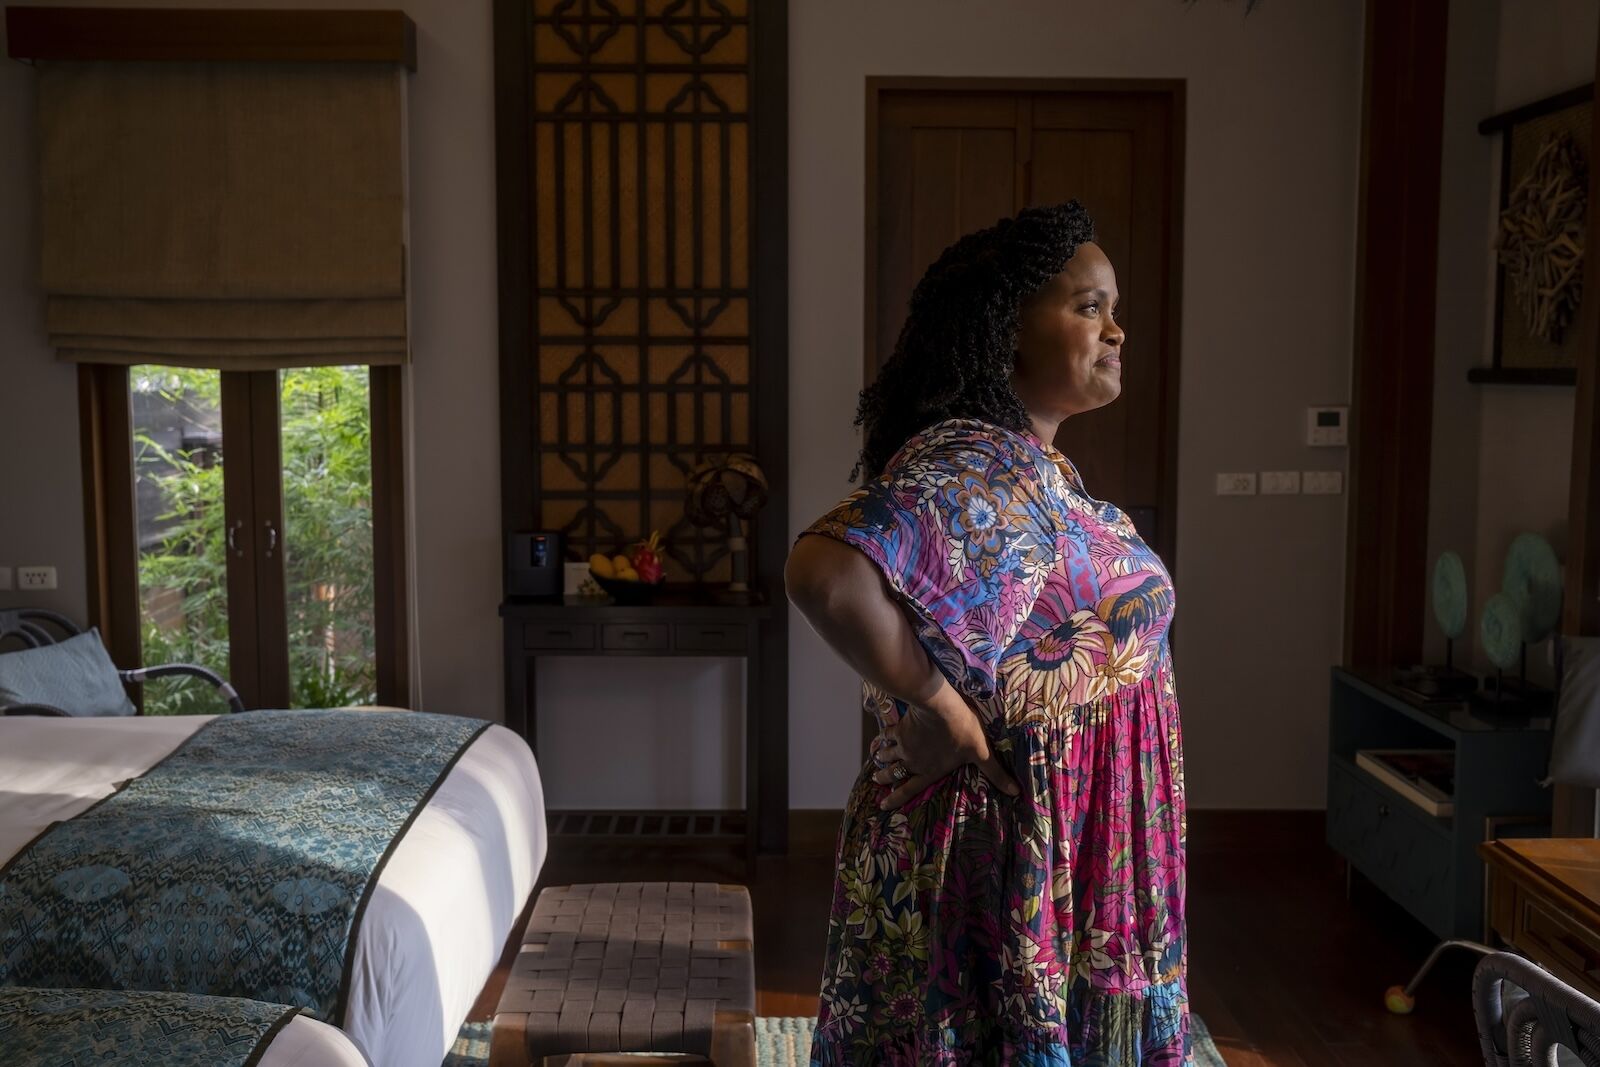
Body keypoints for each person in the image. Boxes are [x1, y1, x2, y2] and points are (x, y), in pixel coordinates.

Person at [785, 201, 1187, 1065]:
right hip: (999, 853)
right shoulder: (978, 464)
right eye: (1090, 307)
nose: (1118, 329)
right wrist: (938, 706)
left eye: (1114, 307)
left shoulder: (1033, 467)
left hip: (1053, 848)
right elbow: (826, 573)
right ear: (1007, 330)